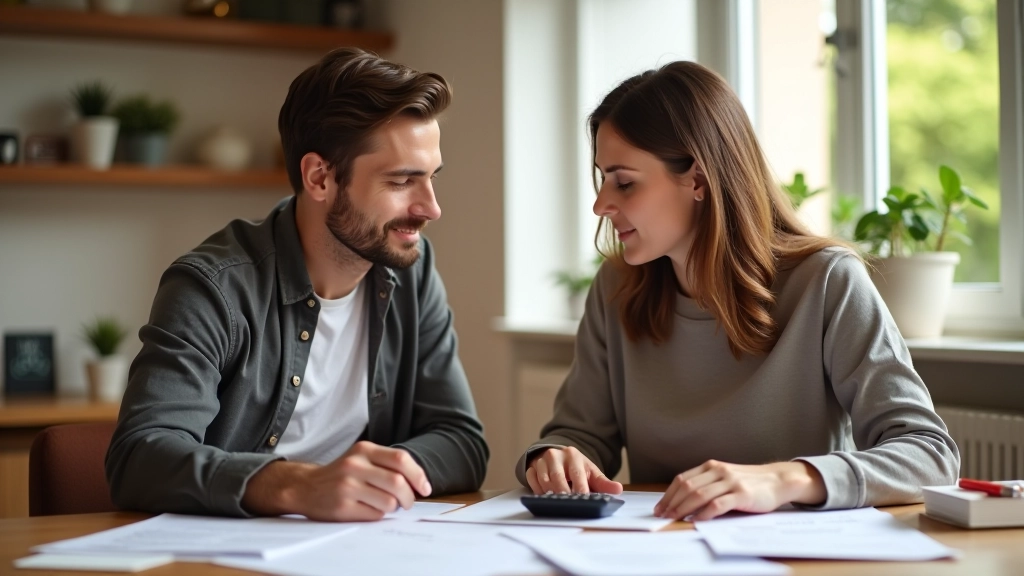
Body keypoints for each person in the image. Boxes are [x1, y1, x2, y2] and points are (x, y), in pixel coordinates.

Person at [516, 61, 959, 521]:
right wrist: (555, 457)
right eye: (603, 179)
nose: (600, 204)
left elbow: (929, 455)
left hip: (793, 552)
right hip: (662, 544)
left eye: (624, 182)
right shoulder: (615, 290)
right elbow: (580, 435)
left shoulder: (827, 281)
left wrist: (784, 479)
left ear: (698, 180)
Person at [106, 48, 489, 521]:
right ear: (319, 177)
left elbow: (462, 441)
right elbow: (139, 457)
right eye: (401, 181)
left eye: (431, 178)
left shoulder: (411, 269)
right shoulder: (213, 287)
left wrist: (377, 476)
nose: (431, 208)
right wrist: (298, 485)